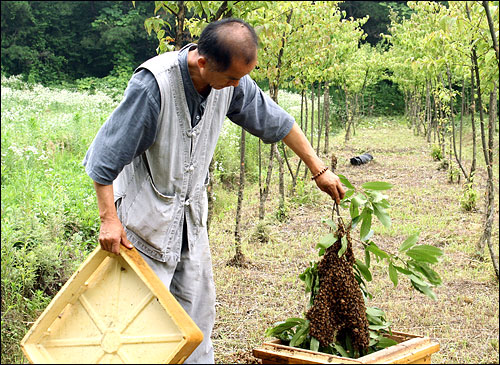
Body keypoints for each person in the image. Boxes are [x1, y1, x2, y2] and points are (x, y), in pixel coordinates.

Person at [83, 18, 345, 364]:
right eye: (232, 78)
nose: (238, 85)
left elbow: (278, 122)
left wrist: (318, 169)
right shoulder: (154, 87)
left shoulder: (232, 83)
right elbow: (104, 159)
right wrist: (108, 221)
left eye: (241, 77)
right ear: (203, 62)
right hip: (142, 227)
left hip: (190, 222)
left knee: (196, 321)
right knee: (138, 325)